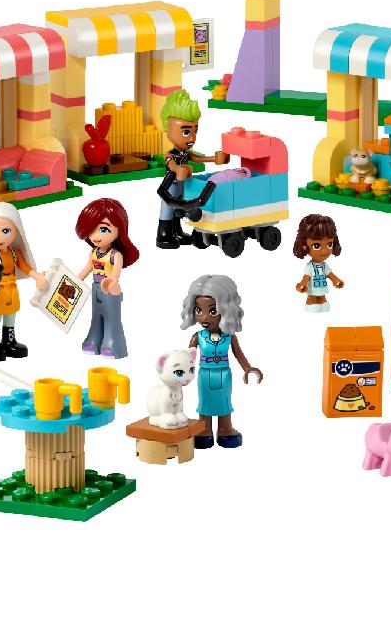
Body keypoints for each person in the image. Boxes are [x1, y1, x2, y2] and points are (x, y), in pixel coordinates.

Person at [180, 274, 263, 449]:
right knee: (204, 402)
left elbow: (238, 354)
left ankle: (225, 428)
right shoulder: (197, 337)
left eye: (212, 311)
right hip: (204, 374)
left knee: (225, 402)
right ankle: (204, 429)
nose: (204, 317)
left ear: (226, 310)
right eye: (198, 310)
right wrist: (180, 372)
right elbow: (189, 358)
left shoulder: (229, 337)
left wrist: (248, 368)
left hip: (224, 374)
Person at [0, 202, 47, 362]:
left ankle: (9, 341)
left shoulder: (14, 252)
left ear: (16, 230)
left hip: (11, 288)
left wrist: (37, 276)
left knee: (10, 315)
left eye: (5, 231)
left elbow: (24, 267)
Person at [156, 89, 228, 249]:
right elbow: (171, 164)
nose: (192, 138)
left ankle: (177, 231)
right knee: (168, 208)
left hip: (184, 185)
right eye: (186, 132)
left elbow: (197, 158)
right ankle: (164, 234)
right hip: (171, 185)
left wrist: (215, 159)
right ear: (169, 129)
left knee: (179, 210)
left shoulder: (185, 152)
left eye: (195, 131)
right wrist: (177, 169)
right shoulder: (170, 154)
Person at [75, 197, 139, 359]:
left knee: (112, 318)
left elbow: (115, 274)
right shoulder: (93, 252)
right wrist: (76, 281)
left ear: (119, 230)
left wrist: (112, 282)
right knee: (96, 316)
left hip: (109, 289)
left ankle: (112, 344)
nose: (95, 236)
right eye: (91, 230)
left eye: (103, 229)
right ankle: (93, 340)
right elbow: (87, 269)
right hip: (96, 288)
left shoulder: (115, 255)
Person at [293, 213, 344, 312]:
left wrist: (336, 281)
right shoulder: (310, 267)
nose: (325, 251)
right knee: (313, 300)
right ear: (304, 246)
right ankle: (311, 302)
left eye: (329, 244)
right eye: (317, 246)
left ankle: (321, 301)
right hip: (313, 289)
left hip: (322, 289)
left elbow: (330, 274)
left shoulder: (324, 266)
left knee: (323, 300)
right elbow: (306, 278)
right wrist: (302, 284)